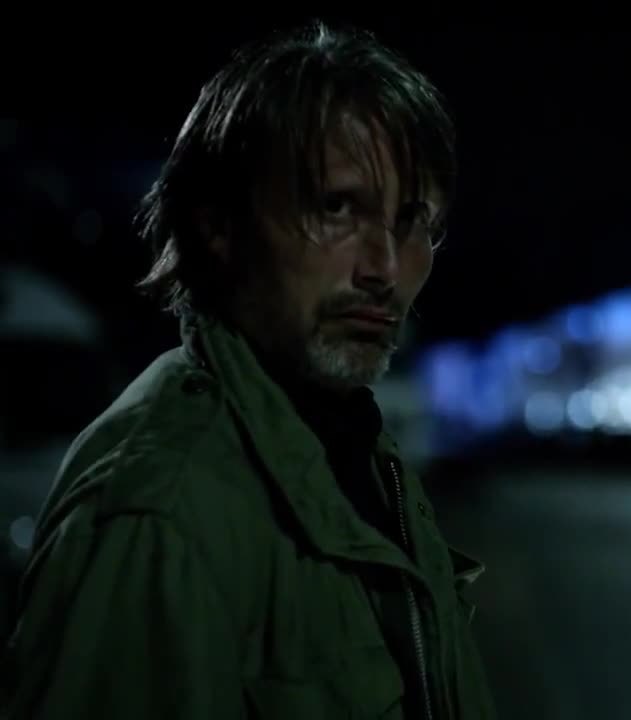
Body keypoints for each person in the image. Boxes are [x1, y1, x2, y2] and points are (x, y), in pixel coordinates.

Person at [1, 20, 497, 719]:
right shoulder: (160, 510)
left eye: (413, 221)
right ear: (218, 224)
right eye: (336, 207)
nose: (385, 267)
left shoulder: (355, 450)